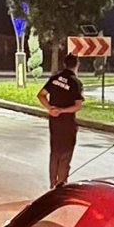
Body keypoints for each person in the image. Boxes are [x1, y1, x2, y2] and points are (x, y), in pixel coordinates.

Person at [37, 54, 85, 188]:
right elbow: (77, 106)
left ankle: (52, 184)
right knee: (65, 154)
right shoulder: (75, 82)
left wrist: (50, 109)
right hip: (68, 123)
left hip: (54, 122)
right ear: (77, 64)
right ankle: (61, 185)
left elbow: (41, 95)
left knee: (55, 152)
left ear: (64, 64)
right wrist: (62, 110)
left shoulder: (54, 79)